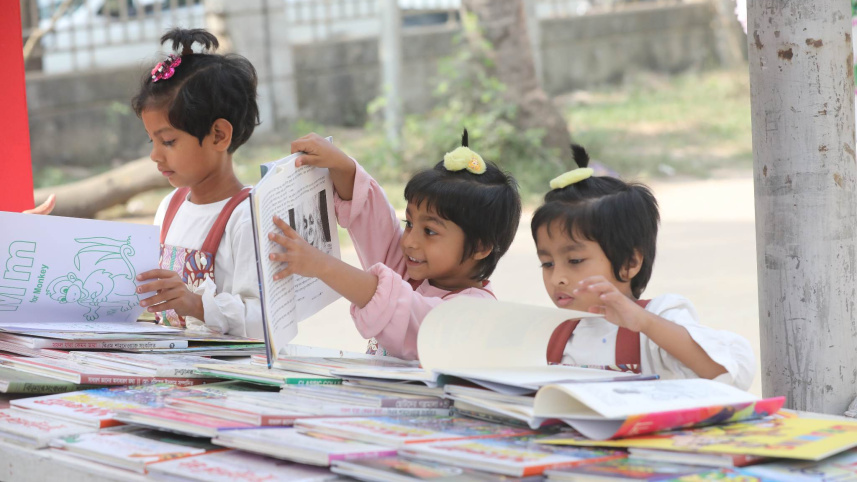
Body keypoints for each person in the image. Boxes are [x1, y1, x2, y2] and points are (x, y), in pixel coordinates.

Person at [268, 131, 522, 360]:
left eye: (430, 231)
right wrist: (341, 164)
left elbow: (407, 310)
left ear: (480, 247)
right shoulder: (413, 271)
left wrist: (322, 265)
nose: (409, 241)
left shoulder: (476, 313)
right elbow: (372, 218)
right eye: (409, 223)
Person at [535, 145, 754, 390]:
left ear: (630, 263)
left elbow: (731, 372)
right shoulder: (558, 332)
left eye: (575, 261)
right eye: (547, 263)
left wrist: (644, 323)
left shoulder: (659, 318)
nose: (557, 278)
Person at [130, 28, 262, 338]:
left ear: (219, 135)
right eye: (152, 140)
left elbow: (264, 319)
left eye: (169, 141)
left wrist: (195, 304)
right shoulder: (170, 207)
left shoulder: (247, 216)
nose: (154, 155)